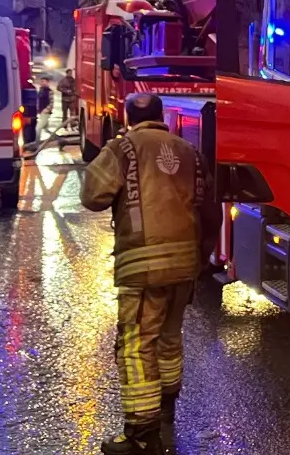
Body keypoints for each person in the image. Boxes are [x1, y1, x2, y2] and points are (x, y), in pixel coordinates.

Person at [81, 93, 204, 454]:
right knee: (169, 339)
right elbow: (203, 201)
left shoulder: (123, 148)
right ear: (161, 115)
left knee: (136, 345)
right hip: (184, 263)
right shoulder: (189, 151)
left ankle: (141, 434)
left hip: (142, 266)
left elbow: (92, 196)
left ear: (127, 117)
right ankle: (165, 413)